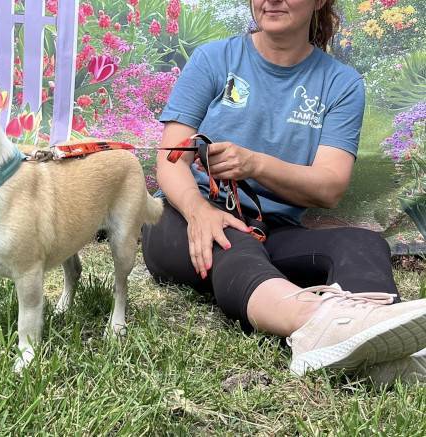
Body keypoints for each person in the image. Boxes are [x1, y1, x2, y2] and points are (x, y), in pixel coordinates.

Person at [142, 0, 426, 383]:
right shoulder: (214, 59)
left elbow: (329, 187)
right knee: (231, 241)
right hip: (182, 218)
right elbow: (170, 159)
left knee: (363, 243)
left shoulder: (341, 83)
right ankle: (317, 325)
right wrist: (198, 210)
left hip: (271, 230)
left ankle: (383, 346)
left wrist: (255, 164)